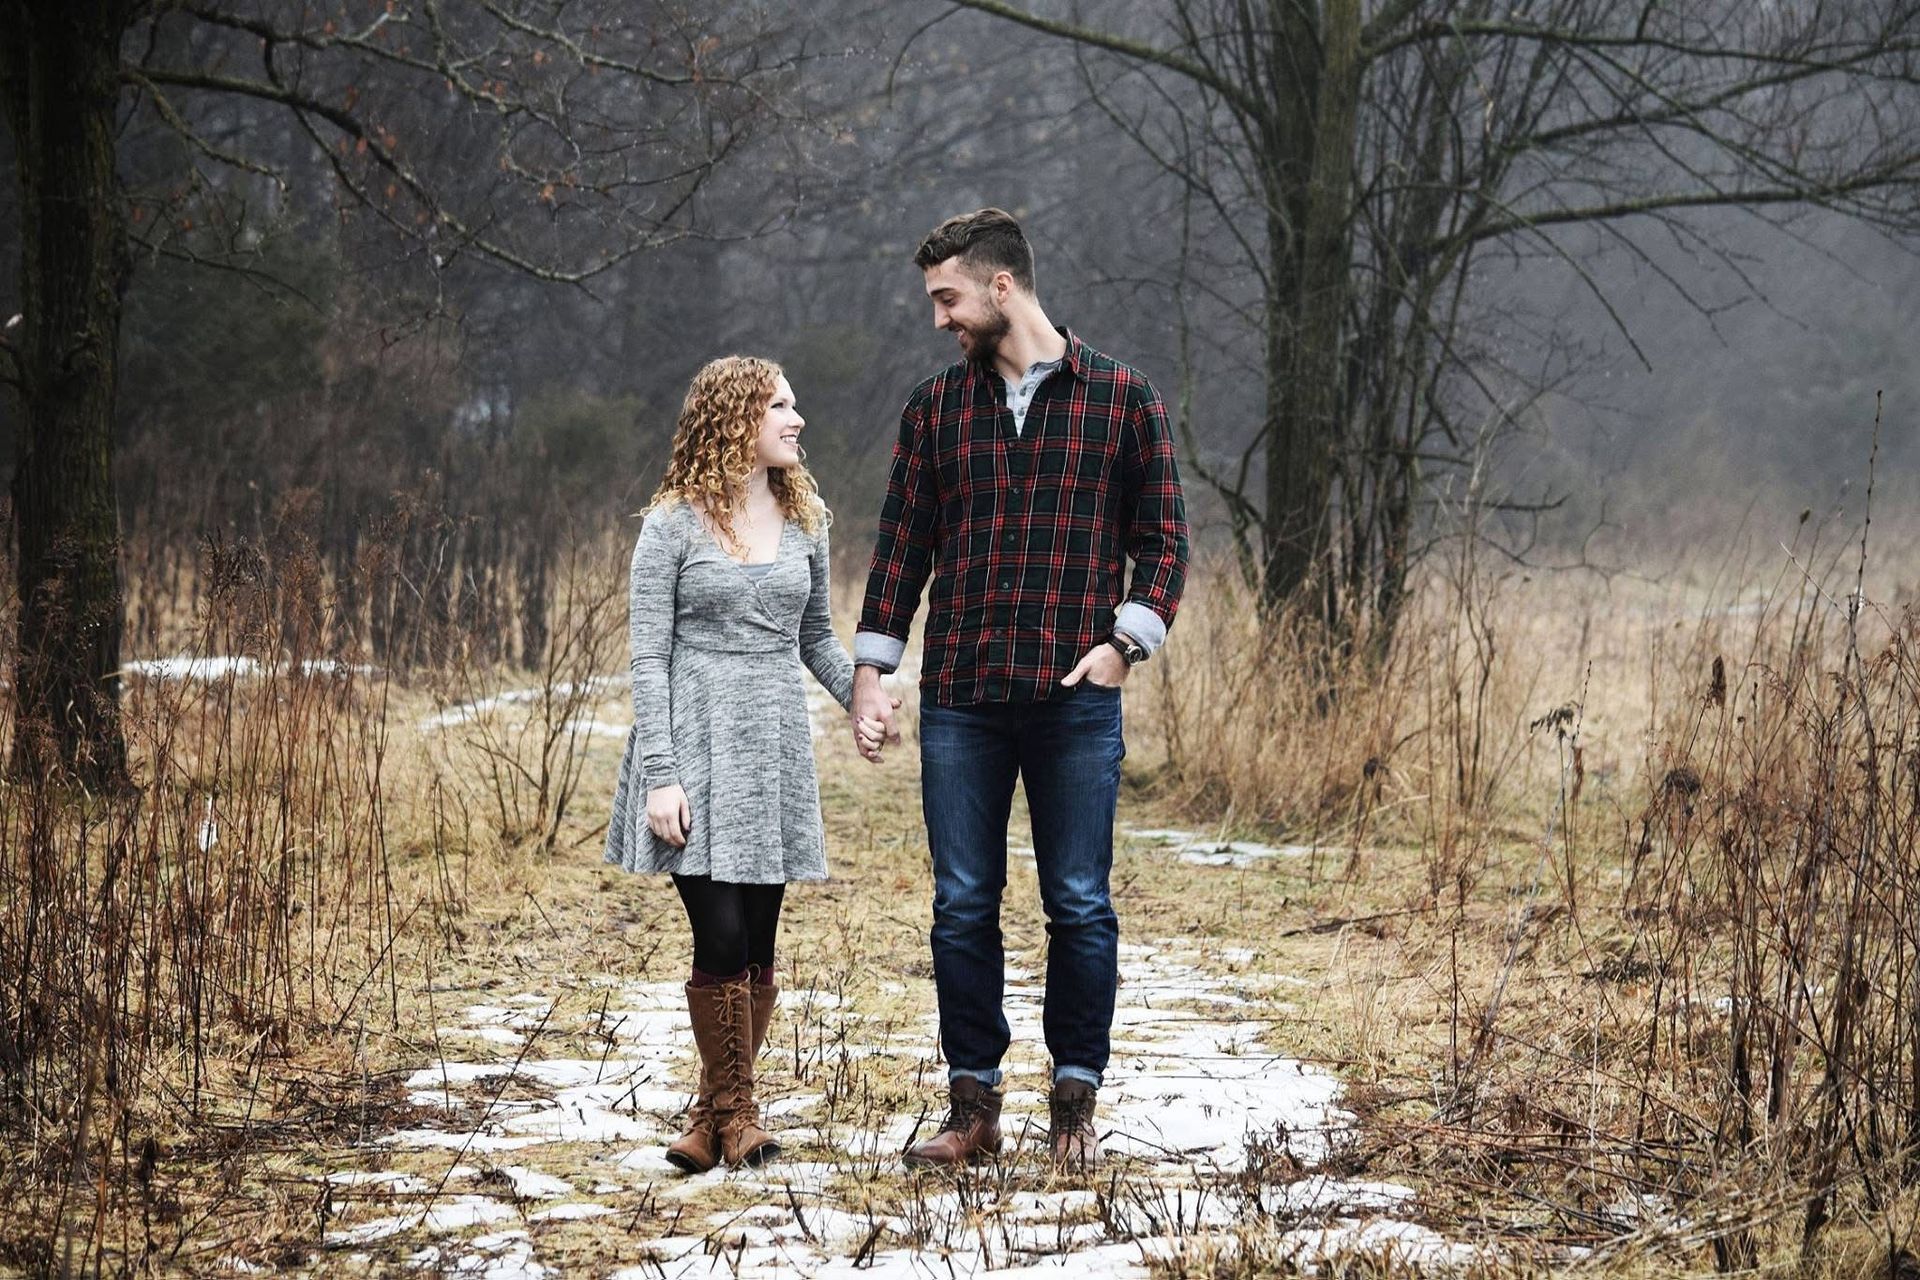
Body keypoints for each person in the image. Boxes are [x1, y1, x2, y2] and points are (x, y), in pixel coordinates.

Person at [851, 209, 1190, 1168]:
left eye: (947, 299)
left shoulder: (1123, 399)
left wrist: (1127, 643)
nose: (939, 320)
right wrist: (872, 675)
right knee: (963, 903)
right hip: (961, 695)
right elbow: (900, 551)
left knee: (1079, 902)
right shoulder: (934, 411)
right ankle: (974, 1109)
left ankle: (1075, 1107)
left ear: (1001, 288)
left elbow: (1164, 542)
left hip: (1076, 699)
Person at [605, 355, 884, 1172]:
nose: (797, 420)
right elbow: (647, 658)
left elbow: (815, 641)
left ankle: (713, 1117)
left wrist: (860, 699)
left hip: (772, 748)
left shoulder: (806, 521)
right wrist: (660, 773)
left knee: (759, 937)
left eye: (795, 405)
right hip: (691, 744)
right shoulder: (672, 527)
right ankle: (739, 1110)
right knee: (718, 931)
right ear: (734, 419)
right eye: (779, 407)